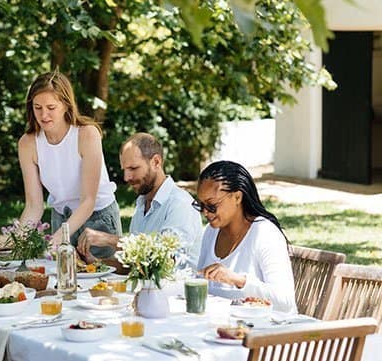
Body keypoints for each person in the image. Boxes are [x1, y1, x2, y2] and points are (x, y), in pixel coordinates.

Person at [18, 71, 121, 258]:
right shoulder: (27, 143)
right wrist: (18, 242)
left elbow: (88, 201)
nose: (44, 115)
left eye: (51, 107)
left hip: (99, 220)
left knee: (102, 281)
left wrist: (57, 239)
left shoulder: (87, 135)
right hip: (61, 218)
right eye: (37, 107)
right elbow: (34, 204)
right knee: (60, 282)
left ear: (66, 105)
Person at [77, 132, 203, 267]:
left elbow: (165, 259)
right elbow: (137, 265)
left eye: (133, 168)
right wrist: (93, 263)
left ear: (156, 162)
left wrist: (110, 240)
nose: (126, 177)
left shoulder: (179, 204)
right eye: (124, 170)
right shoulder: (142, 204)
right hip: (148, 287)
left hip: (177, 287)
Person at [195, 160, 297, 313]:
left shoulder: (265, 234)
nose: (205, 212)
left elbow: (285, 301)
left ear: (237, 197)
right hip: (222, 328)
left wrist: (238, 280)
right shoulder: (211, 232)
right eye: (201, 205)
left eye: (211, 205)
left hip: (267, 332)